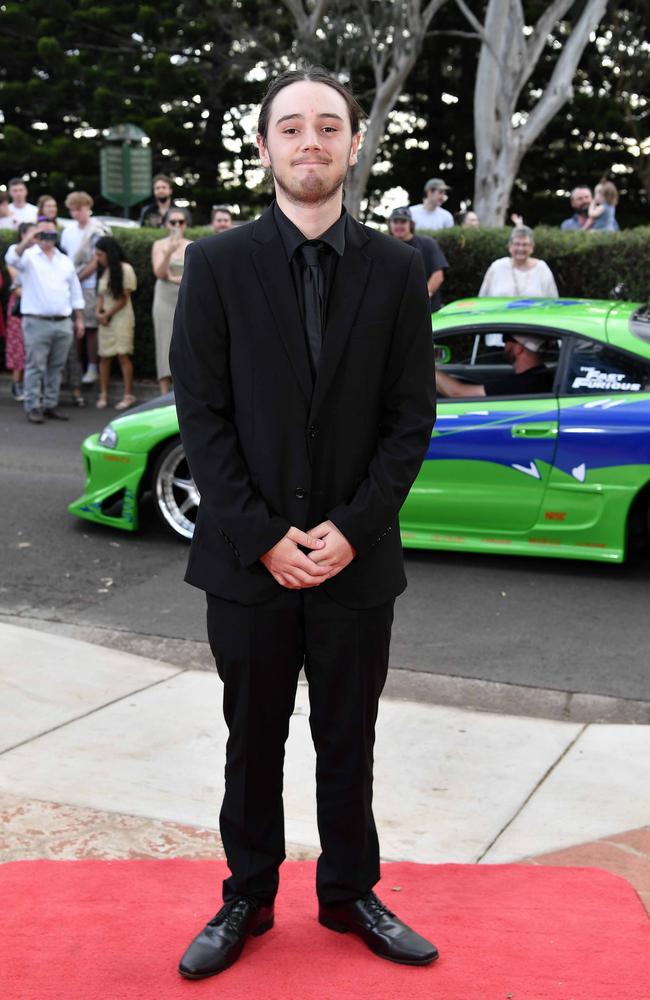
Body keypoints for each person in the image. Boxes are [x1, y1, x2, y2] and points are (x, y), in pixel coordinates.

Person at [170, 65, 437, 981]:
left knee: (349, 739)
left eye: (330, 126)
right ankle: (246, 894)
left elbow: (411, 421)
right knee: (253, 738)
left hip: (357, 564)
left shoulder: (400, 272)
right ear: (265, 147)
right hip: (247, 564)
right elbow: (201, 415)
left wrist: (354, 529)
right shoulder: (216, 263)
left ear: (355, 145)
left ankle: (349, 889)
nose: (311, 142)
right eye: (292, 128)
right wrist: (262, 536)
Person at [5, 220, 84, 423]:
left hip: (62, 321)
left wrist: (79, 320)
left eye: (51, 233)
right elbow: (12, 258)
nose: (47, 237)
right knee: (35, 365)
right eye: (44, 233)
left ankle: (50, 404)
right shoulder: (29, 257)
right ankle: (32, 405)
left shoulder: (64, 260)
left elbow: (75, 291)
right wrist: (29, 240)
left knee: (56, 366)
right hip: (36, 321)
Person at [61, 192, 110, 387]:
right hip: (69, 286)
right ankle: (75, 369)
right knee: (73, 329)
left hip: (89, 285)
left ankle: (92, 367)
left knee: (90, 328)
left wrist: (77, 278)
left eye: (79, 209)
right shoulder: (67, 231)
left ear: (87, 207)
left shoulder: (97, 230)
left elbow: (97, 259)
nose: (76, 213)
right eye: (72, 209)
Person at [436, 332, 553, 398]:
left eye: (506, 339)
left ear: (518, 348)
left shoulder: (521, 384)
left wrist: (425, 367)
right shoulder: (543, 377)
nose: (504, 345)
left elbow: (459, 393)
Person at [151, 207, 192, 394]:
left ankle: (184, 391)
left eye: (180, 222)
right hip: (164, 297)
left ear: (186, 224)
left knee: (186, 341)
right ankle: (163, 392)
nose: (176, 226)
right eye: (172, 222)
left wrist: (175, 278)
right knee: (164, 341)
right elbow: (159, 273)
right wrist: (169, 251)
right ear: (166, 224)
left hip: (186, 296)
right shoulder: (159, 245)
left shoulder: (192, 245)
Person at [94, 236, 137, 410]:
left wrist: (107, 314)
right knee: (104, 356)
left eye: (100, 255)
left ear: (109, 254)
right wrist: (98, 313)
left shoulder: (125, 269)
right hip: (106, 320)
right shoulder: (104, 271)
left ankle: (128, 394)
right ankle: (103, 393)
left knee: (122, 355)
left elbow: (123, 299)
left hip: (121, 318)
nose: (98, 259)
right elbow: (101, 296)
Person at [387, 206, 448, 311]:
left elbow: (438, 275)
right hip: (394, 309)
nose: (399, 225)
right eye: (395, 222)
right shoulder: (384, 246)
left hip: (427, 309)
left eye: (403, 222)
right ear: (390, 224)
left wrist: (422, 298)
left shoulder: (428, 243)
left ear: (411, 224)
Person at [479, 225, 558, 297]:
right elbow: (483, 298)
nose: (520, 248)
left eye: (525, 244)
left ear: (532, 247)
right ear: (509, 246)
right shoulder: (497, 267)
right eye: (517, 244)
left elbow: (553, 300)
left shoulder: (542, 269)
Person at [3, 221, 30, 401]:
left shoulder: (41, 253)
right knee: (17, 344)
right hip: (20, 303)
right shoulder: (14, 251)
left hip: (35, 305)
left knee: (32, 346)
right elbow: (16, 282)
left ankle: (29, 385)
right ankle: (16, 384)